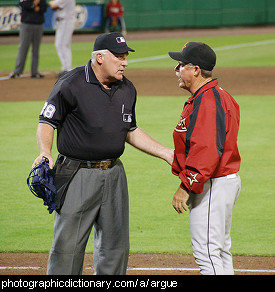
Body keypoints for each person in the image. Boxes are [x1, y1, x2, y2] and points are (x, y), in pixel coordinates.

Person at [32, 32, 174, 275]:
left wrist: (166, 153)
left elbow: (130, 129)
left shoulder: (127, 88)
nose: (125, 62)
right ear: (99, 57)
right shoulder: (71, 83)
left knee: (115, 246)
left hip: (114, 174)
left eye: (126, 57)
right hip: (77, 173)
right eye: (119, 57)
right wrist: (45, 152)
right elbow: (47, 121)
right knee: (68, 247)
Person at [168, 42, 241, 275]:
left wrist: (186, 185)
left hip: (212, 184)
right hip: (221, 182)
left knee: (207, 253)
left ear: (196, 70)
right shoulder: (215, 95)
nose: (176, 70)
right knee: (219, 251)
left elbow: (207, 150)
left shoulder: (208, 100)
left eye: (181, 65)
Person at [10, 0, 47, 79]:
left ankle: (35, 72)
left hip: (38, 24)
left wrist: (37, 6)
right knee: (23, 48)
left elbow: (44, 8)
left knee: (36, 50)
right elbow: (24, 5)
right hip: (26, 24)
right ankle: (17, 71)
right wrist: (34, 4)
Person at [49, 0, 75, 78]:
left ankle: (67, 69)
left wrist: (51, 2)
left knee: (61, 44)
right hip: (62, 22)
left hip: (66, 21)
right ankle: (66, 68)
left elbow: (53, 5)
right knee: (63, 45)